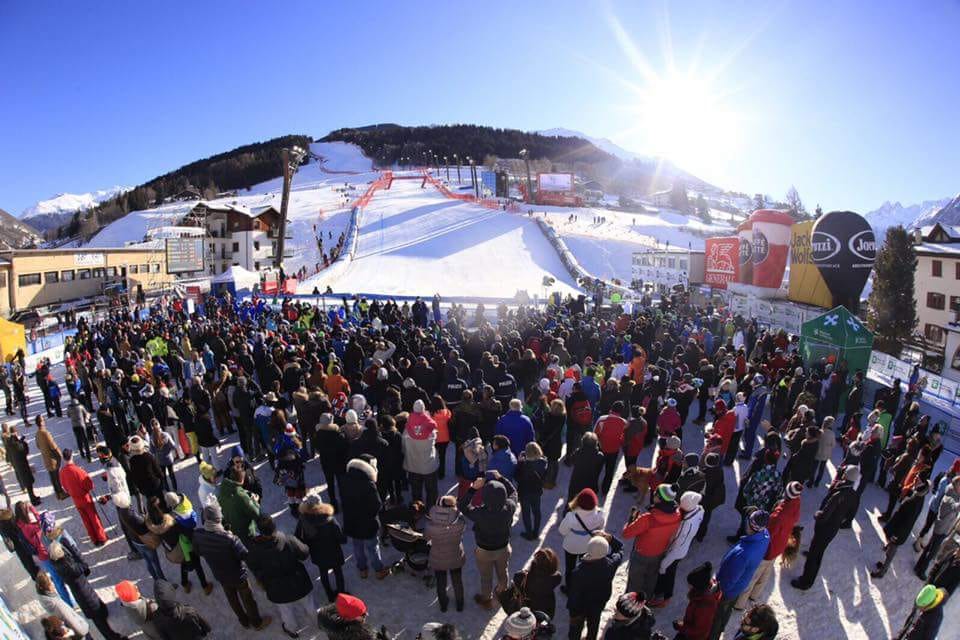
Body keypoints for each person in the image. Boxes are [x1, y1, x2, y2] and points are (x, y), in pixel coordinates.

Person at [192, 501, 272, 630]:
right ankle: (257, 623)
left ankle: (244, 621)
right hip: (238, 575)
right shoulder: (230, 539)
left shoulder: (198, 535)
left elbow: (198, 552)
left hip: (220, 575)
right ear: (218, 519)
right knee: (248, 599)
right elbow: (244, 555)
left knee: (232, 598)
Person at [246, 513, 316, 638]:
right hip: (299, 583)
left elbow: (253, 566)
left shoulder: (255, 550)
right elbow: (304, 553)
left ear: (260, 531)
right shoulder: (288, 539)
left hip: (277, 589)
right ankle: (318, 623)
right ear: (274, 526)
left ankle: (291, 630)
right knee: (309, 605)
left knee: (286, 612)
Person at [791, 465, 861, 590]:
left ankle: (806, 581)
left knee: (814, 554)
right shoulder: (854, 494)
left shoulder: (839, 494)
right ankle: (813, 557)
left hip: (825, 527)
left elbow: (824, 515)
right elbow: (850, 515)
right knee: (819, 549)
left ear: (846, 475)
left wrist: (817, 515)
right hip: (832, 529)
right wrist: (839, 521)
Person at [736, 482, 803, 609]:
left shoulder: (778, 515)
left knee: (753, 575)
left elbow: (767, 533)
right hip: (780, 546)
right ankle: (755, 595)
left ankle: (740, 604)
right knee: (766, 572)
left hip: (768, 549)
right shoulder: (797, 503)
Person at [710, 510, 770, 640]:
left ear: (750, 526)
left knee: (717, 616)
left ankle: (713, 635)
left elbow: (730, 579)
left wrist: (718, 590)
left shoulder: (743, 553)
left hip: (727, 590)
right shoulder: (765, 535)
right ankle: (720, 628)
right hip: (740, 585)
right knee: (726, 611)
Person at [459, 474, 518, 609]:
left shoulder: (479, 513)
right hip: (503, 548)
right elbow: (514, 492)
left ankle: (486, 600)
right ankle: (502, 593)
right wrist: (502, 478)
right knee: (503, 573)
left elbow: (462, 506)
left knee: (486, 577)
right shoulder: (509, 507)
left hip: (484, 550)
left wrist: (473, 489)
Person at [49, 541, 126, 640]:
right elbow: (84, 565)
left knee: (97, 616)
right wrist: (72, 548)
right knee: (101, 623)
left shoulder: (57, 564)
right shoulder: (71, 568)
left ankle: (104, 615)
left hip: (81, 595)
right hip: (86, 596)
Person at [622, 484, 682, 598]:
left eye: (655, 493)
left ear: (659, 498)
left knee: (635, 582)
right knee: (651, 579)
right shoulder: (677, 515)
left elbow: (626, 534)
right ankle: (646, 599)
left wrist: (631, 519)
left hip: (641, 554)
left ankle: (631, 604)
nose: (653, 494)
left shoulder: (648, 518)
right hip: (659, 553)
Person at [652, 491, 704, 608]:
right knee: (670, 571)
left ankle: (663, 597)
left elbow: (677, 545)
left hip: (676, 552)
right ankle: (663, 594)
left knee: (667, 572)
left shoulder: (686, 524)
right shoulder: (699, 510)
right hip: (683, 548)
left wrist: (664, 563)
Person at [340, 455, 389, 579]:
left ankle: (362, 570)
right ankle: (378, 570)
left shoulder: (345, 479)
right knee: (372, 547)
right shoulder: (368, 484)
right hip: (367, 523)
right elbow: (377, 505)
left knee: (357, 547)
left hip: (352, 521)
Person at [567, 534, 624, 640]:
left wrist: (573, 612)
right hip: (599, 602)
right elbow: (620, 548)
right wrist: (610, 538)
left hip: (581, 606)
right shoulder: (611, 564)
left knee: (576, 629)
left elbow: (574, 594)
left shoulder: (578, 572)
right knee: (594, 623)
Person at [871, 479, 929, 578]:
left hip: (898, 532)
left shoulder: (911, 502)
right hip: (901, 531)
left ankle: (882, 571)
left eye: (918, 481)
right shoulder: (920, 500)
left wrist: (896, 535)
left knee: (891, 553)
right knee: (890, 548)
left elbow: (904, 521)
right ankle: (884, 564)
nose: (916, 480)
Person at [296, 492, 348, 602]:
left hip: (317, 552)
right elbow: (340, 536)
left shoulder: (303, 519)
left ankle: (329, 594)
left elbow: (298, 537)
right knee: (338, 572)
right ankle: (342, 594)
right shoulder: (329, 519)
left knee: (323, 573)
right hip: (333, 551)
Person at [424, 494, 466, 612]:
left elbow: (426, 538)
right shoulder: (460, 523)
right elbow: (463, 528)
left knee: (441, 582)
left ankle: (443, 604)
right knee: (457, 581)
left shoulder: (429, 525)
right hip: (455, 555)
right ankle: (460, 604)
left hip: (438, 557)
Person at [558, 488, 605, 591]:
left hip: (571, 545)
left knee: (570, 568)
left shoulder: (571, 516)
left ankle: (569, 587)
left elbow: (562, 531)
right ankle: (580, 587)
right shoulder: (599, 515)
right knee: (583, 567)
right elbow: (600, 528)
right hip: (588, 545)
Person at [58, 449, 108, 545]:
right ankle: (101, 538)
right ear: (71, 456)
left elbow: (64, 487)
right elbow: (90, 485)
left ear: (63, 458)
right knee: (94, 518)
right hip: (85, 498)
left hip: (76, 500)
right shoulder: (78, 470)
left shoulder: (62, 472)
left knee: (85, 520)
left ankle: (94, 539)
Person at [915, 476, 960, 579]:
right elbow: (955, 506)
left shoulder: (954, 493)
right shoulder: (950, 497)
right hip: (941, 528)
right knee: (932, 552)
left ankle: (918, 566)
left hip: (941, 526)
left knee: (929, 548)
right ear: (956, 485)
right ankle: (921, 570)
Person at [404, 399, 440, 508]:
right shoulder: (430, 429)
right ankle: (430, 509)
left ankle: (417, 509)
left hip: (413, 465)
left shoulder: (407, 429)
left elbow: (403, 446)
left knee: (416, 490)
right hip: (428, 465)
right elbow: (435, 435)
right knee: (431, 490)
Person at [36, 571, 90, 640]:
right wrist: (84, 630)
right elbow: (70, 620)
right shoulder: (56, 604)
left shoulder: (46, 598)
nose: (53, 584)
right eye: (51, 582)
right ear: (47, 586)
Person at [673, 562, 720, 640]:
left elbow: (699, 630)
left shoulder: (705, 606)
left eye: (691, 585)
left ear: (698, 587)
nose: (688, 586)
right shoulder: (704, 591)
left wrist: (681, 626)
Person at [513, 548, 562, 619]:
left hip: (525, 607)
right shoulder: (557, 577)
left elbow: (516, 584)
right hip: (546, 608)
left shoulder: (521, 576)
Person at [218, 463, 261, 540]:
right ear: (242, 479)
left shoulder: (223, 488)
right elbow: (256, 514)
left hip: (232, 531)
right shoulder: (241, 496)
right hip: (246, 533)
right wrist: (255, 501)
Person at [515, 441, 548, 540]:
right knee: (537, 511)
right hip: (537, 491)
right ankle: (536, 531)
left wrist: (519, 462)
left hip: (525, 492)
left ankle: (529, 533)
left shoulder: (524, 465)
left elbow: (517, 477)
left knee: (526, 513)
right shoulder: (543, 463)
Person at [594, 400, 627, 495]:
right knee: (609, 471)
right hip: (614, 450)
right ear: (621, 411)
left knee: (597, 469)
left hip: (601, 448)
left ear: (611, 408)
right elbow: (623, 439)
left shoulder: (602, 419)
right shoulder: (624, 423)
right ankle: (605, 490)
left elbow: (595, 434)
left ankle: (593, 487)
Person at [317, 593, 381, 640]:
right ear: (350, 618)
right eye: (363, 614)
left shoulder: (327, 622)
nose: (366, 615)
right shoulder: (363, 635)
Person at [35, 416, 69, 500]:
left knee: (52, 477)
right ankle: (60, 493)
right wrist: (60, 454)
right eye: (43, 420)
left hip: (46, 458)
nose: (44, 421)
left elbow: (38, 446)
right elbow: (53, 446)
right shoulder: (45, 433)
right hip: (52, 459)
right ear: (41, 422)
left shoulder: (37, 433)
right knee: (56, 477)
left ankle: (57, 493)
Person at [6, 424, 40, 504]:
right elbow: (25, 452)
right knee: (29, 484)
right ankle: (33, 500)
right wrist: (25, 443)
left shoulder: (9, 442)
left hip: (18, 467)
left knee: (28, 484)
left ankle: (33, 497)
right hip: (23, 465)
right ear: (15, 432)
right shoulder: (16, 443)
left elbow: (8, 456)